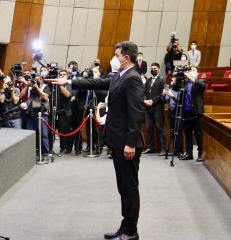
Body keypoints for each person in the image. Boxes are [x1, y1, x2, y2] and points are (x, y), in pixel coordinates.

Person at [51, 41, 144, 240]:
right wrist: (69, 82)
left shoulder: (133, 78)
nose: (114, 58)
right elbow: (96, 83)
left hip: (126, 143)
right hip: (118, 141)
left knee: (129, 188)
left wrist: (130, 143)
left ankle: (131, 231)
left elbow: (136, 113)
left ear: (126, 58)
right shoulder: (120, 76)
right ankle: (125, 226)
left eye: (117, 55)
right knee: (123, 187)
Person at [173, 66, 206, 162]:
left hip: (196, 113)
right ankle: (189, 153)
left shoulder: (201, 81)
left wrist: (189, 76)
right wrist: (176, 76)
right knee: (187, 134)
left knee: (198, 134)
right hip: (186, 113)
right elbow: (175, 88)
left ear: (197, 73)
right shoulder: (185, 82)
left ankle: (200, 154)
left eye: (194, 70)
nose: (191, 71)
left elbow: (202, 86)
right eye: (190, 69)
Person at [142, 63, 167, 156]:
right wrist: (145, 100)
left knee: (160, 128)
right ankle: (151, 147)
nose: (153, 70)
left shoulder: (162, 80)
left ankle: (163, 149)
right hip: (148, 108)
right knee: (149, 128)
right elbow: (144, 92)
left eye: (155, 68)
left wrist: (152, 101)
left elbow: (162, 94)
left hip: (157, 107)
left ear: (159, 69)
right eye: (151, 68)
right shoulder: (148, 80)